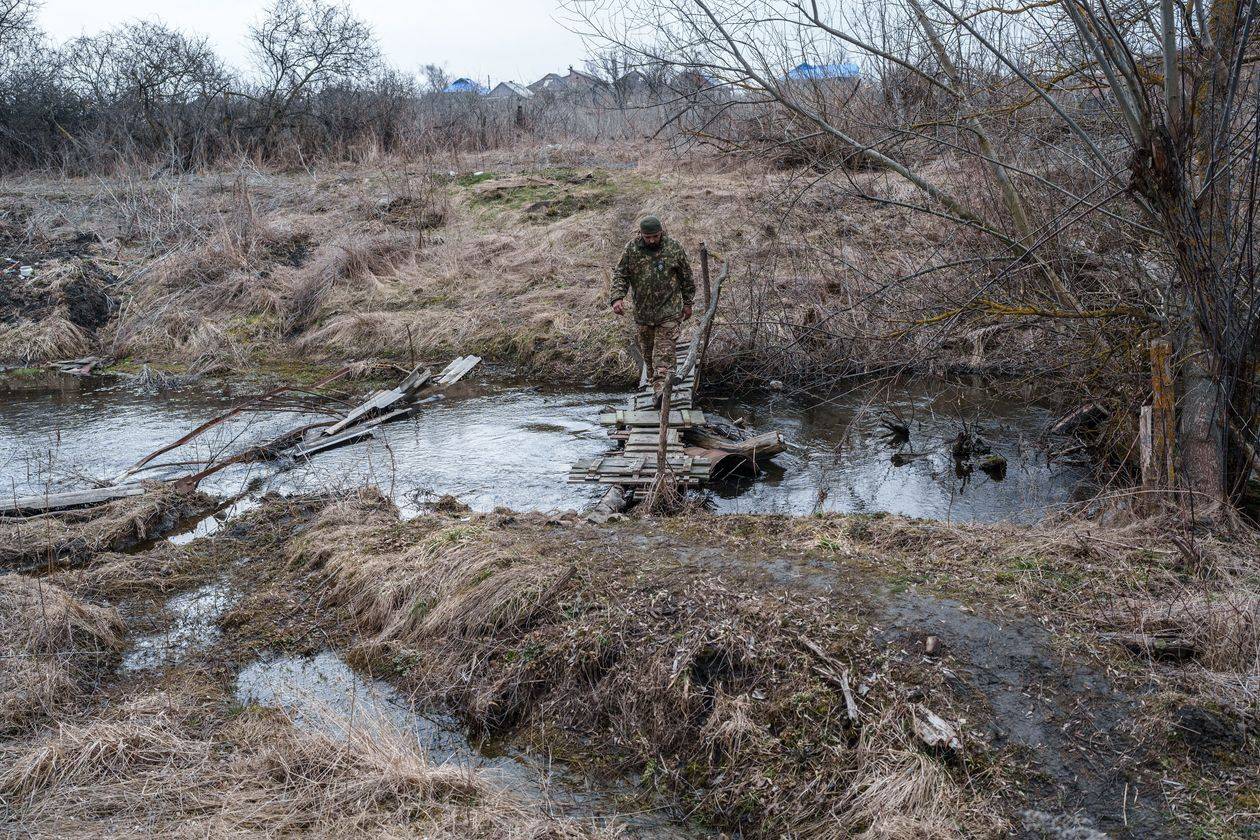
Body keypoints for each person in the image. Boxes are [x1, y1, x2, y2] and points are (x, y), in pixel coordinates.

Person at [609, 216, 695, 407]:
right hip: (643, 315)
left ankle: (661, 394)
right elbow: (621, 275)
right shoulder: (631, 250)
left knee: (663, 357)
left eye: (655, 236)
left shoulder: (674, 248)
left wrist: (688, 303)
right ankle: (656, 387)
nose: (652, 241)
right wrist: (617, 298)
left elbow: (687, 278)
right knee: (649, 357)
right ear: (641, 234)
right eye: (648, 237)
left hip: (669, 313)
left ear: (661, 233)